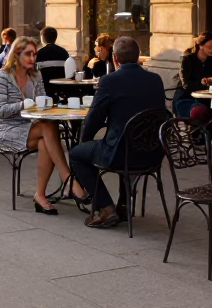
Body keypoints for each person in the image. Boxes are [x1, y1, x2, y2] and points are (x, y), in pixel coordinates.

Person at [70, 36, 166, 229]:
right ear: (139, 58)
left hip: (120, 154)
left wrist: (84, 140)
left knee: (76, 155)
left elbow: (93, 118)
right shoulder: (155, 80)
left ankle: (106, 208)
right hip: (152, 154)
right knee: (126, 140)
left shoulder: (109, 81)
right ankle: (123, 205)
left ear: (114, 58)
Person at [0, 36, 83, 215]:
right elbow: (0, 110)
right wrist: (22, 105)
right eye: (28, 54)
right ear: (16, 54)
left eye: (34, 54)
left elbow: (41, 103)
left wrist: (48, 104)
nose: (32, 58)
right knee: (48, 128)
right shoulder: (3, 76)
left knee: (45, 138)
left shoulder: (36, 74)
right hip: (5, 129)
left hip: (31, 125)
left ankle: (40, 195)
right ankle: (68, 179)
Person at [173, 31, 212, 120]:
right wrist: (202, 84)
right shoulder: (187, 60)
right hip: (185, 100)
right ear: (201, 46)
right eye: (210, 47)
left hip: (204, 101)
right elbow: (186, 85)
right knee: (203, 113)